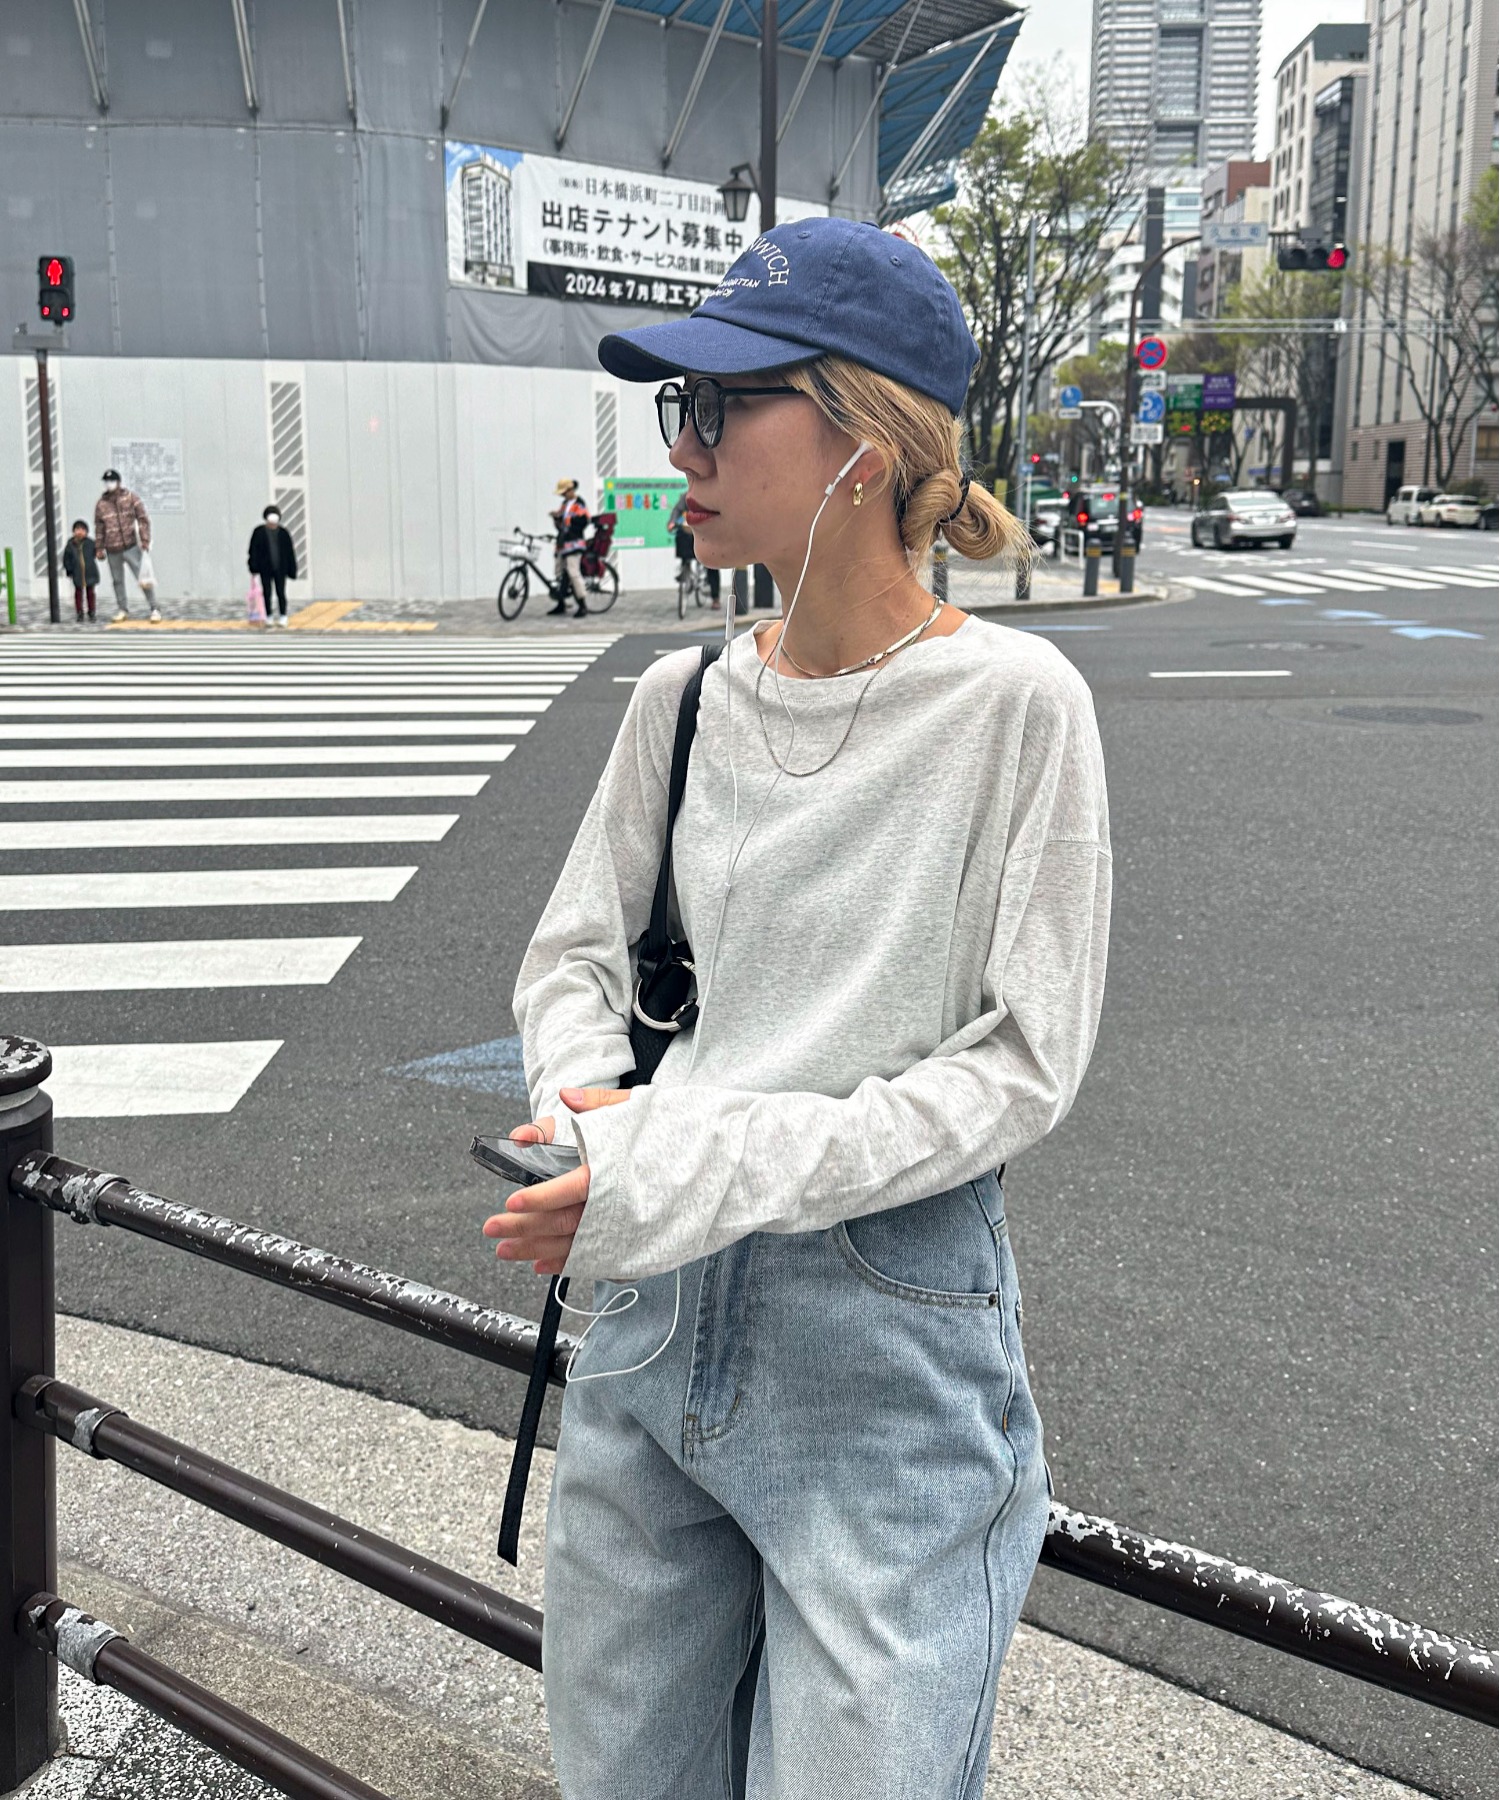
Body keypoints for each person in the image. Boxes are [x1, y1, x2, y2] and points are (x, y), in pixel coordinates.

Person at [496, 217, 1112, 1799]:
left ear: (862, 437)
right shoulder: (684, 696)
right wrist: (588, 1114)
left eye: (720, 406)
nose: (681, 449)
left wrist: (686, 1161)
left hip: (885, 1350)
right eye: (677, 408)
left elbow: (1021, 1067)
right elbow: (575, 965)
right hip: (649, 1320)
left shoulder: (1016, 707)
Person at [94, 469, 159, 622]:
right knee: (117, 581)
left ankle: (154, 608)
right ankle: (122, 609)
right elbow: (99, 527)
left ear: (118, 482)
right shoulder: (101, 504)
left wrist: (145, 540)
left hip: (131, 546)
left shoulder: (130, 497)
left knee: (143, 578)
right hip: (112, 548)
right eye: (106, 481)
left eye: (112, 481)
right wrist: (99, 547)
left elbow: (143, 518)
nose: (109, 484)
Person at [668, 488, 721, 608]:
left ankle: (715, 598)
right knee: (681, 536)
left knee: (712, 563)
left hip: (707, 532)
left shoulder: (712, 496)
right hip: (691, 531)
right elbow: (677, 510)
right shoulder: (687, 496)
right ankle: (685, 567)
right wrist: (672, 522)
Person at [247, 504, 299, 627]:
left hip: (280, 568)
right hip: (265, 568)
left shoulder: (283, 533)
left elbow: (289, 552)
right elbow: (253, 550)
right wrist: (253, 567)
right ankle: (268, 615)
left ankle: (283, 616)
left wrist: (292, 569)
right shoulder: (259, 532)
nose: (272, 524)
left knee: (281, 592)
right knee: (267, 592)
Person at [550, 477, 591, 617]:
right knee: (559, 572)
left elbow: (584, 521)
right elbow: (561, 523)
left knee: (573, 573)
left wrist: (569, 524)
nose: (562, 495)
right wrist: (556, 517)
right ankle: (561, 602)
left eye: (564, 492)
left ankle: (582, 605)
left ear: (570, 490)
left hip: (575, 543)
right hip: (563, 543)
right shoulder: (564, 504)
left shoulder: (579, 504)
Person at [61, 520, 99, 623]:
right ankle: (79, 612)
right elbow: (66, 559)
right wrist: (69, 570)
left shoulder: (90, 543)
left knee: (90, 593)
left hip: (90, 572)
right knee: (78, 593)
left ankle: (91, 611)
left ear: (86, 532)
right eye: (77, 529)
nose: (80, 532)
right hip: (77, 573)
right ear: (73, 531)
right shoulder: (70, 544)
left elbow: (96, 554)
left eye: (82, 529)